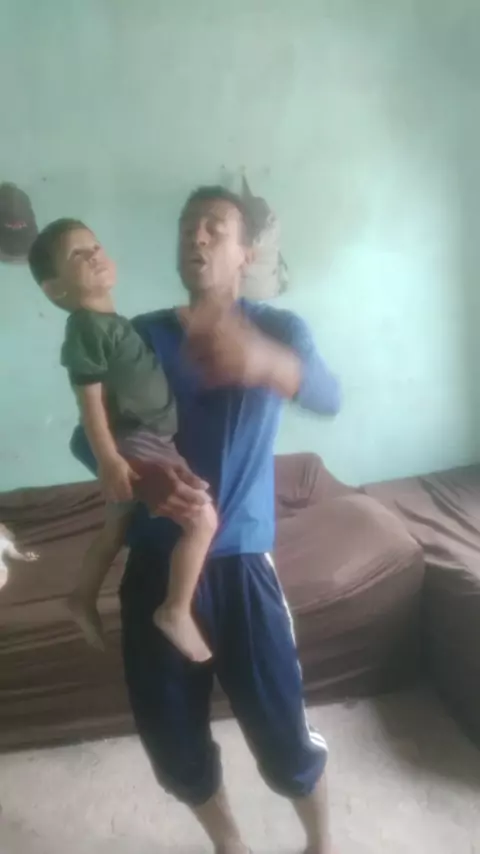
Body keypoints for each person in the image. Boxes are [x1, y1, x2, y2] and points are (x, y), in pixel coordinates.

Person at [71, 186, 341, 854]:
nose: (196, 236)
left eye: (214, 228)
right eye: (188, 226)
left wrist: (265, 362)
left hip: (244, 567)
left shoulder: (279, 330)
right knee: (173, 743)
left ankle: (321, 843)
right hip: (155, 567)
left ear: (245, 252)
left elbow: (329, 395)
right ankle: (230, 846)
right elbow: (87, 439)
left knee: (284, 737)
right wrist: (143, 474)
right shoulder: (138, 336)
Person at [28, 219, 217, 662]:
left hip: (146, 437)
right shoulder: (86, 327)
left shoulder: (110, 324)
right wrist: (109, 459)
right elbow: (89, 402)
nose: (94, 254)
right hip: (137, 440)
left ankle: (81, 597)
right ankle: (174, 610)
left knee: (115, 527)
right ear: (55, 288)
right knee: (202, 519)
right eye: (77, 254)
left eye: (94, 245)